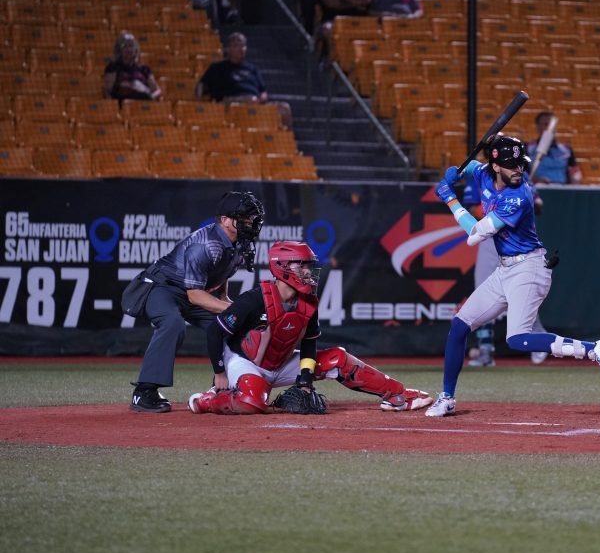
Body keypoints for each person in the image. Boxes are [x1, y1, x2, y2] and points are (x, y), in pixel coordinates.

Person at [426, 136, 600, 417]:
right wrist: (457, 171)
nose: (518, 169)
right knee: (459, 326)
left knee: (517, 338)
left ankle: (594, 349)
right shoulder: (484, 172)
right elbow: (472, 168)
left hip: (529, 268)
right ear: (495, 166)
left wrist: (450, 198)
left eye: (520, 163)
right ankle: (446, 398)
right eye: (510, 164)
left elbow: (475, 234)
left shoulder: (518, 196)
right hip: (505, 269)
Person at [189, 241, 433, 415]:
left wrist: (305, 380)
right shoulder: (254, 299)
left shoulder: (308, 303)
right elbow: (215, 332)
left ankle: (399, 395)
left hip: (279, 363)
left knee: (338, 358)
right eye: (302, 266)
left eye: (309, 265)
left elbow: (308, 344)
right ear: (282, 267)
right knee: (252, 402)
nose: (308, 271)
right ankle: (207, 400)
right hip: (244, 362)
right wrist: (220, 373)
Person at [124, 191, 265, 413]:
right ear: (225, 220)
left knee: (231, 325)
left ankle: (224, 386)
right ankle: (144, 392)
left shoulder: (239, 242)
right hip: (162, 286)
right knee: (172, 323)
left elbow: (220, 274)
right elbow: (195, 296)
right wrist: (235, 308)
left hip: (193, 290)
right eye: (244, 218)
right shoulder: (206, 245)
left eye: (251, 218)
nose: (250, 222)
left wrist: (225, 302)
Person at [461, 164, 549, 367]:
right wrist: (497, 210)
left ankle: (538, 337)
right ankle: (485, 351)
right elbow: (472, 207)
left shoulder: (519, 178)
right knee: (482, 292)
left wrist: (524, 198)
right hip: (489, 239)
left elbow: (539, 207)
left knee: (521, 296)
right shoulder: (482, 175)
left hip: (516, 242)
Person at [195, 32, 292, 129]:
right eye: (236, 46)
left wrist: (261, 99)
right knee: (251, 100)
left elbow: (263, 91)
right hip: (229, 103)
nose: (241, 49)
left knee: (284, 108)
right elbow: (202, 84)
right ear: (229, 49)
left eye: (243, 46)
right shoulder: (217, 68)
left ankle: (286, 137)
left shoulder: (252, 69)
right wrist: (198, 101)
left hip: (254, 103)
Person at [102, 32, 163, 102]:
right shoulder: (113, 67)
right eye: (125, 46)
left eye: (131, 46)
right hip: (123, 104)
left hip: (143, 102)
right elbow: (108, 91)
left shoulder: (144, 69)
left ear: (136, 49)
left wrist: (150, 97)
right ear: (119, 50)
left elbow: (156, 90)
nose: (129, 49)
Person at [526, 111, 582, 185]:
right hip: (537, 188)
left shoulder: (566, 149)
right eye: (546, 124)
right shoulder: (528, 148)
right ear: (538, 127)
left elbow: (574, 170)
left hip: (561, 188)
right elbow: (521, 173)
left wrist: (575, 182)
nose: (550, 128)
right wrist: (536, 180)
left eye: (552, 125)